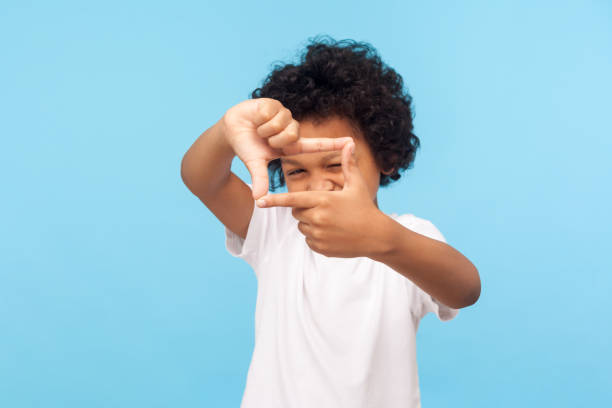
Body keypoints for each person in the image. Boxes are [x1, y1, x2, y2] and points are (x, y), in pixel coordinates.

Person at [181, 35, 481, 408]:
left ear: (386, 157)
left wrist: (383, 239)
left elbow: (465, 290)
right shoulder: (275, 229)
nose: (319, 185)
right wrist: (226, 131)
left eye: (334, 164)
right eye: (297, 170)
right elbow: (201, 179)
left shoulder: (406, 236)